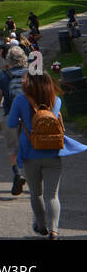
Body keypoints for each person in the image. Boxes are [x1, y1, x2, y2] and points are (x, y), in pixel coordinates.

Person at [8, 72, 87, 239]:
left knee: (36, 193)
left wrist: (24, 120)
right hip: (53, 152)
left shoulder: (21, 100)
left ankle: (41, 225)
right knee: (52, 195)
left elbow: (11, 123)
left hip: (30, 154)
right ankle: (54, 230)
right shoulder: (56, 100)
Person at [0, 46, 29, 196]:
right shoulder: (31, 73)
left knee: (12, 148)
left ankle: (17, 174)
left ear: (9, 60)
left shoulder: (3, 75)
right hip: (29, 118)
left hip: (10, 116)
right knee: (29, 147)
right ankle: (30, 176)